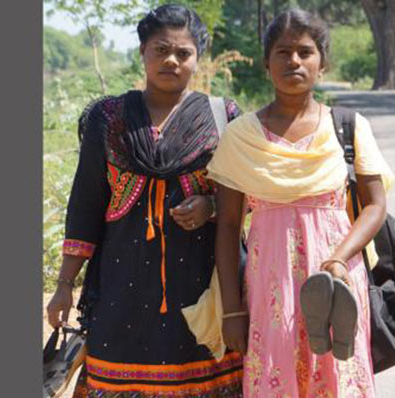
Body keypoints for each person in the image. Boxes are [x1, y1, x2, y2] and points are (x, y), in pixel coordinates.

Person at [45, 4, 244, 397]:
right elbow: (85, 206)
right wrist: (65, 284)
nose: (171, 60)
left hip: (202, 285)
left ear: (197, 58)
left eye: (183, 53)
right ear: (142, 52)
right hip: (121, 286)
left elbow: (250, 198)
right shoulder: (109, 118)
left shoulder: (223, 117)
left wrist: (211, 207)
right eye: (160, 50)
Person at [207, 9, 395, 398]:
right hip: (269, 287)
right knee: (277, 380)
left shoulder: (348, 127)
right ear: (266, 63)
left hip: (338, 281)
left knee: (338, 377)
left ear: (322, 64)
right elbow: (227, 225)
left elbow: (375, 206)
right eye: (283, 52)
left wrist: (340, 257)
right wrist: (231, 311)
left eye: (306, 52)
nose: (294, 60)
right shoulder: (241, 136)